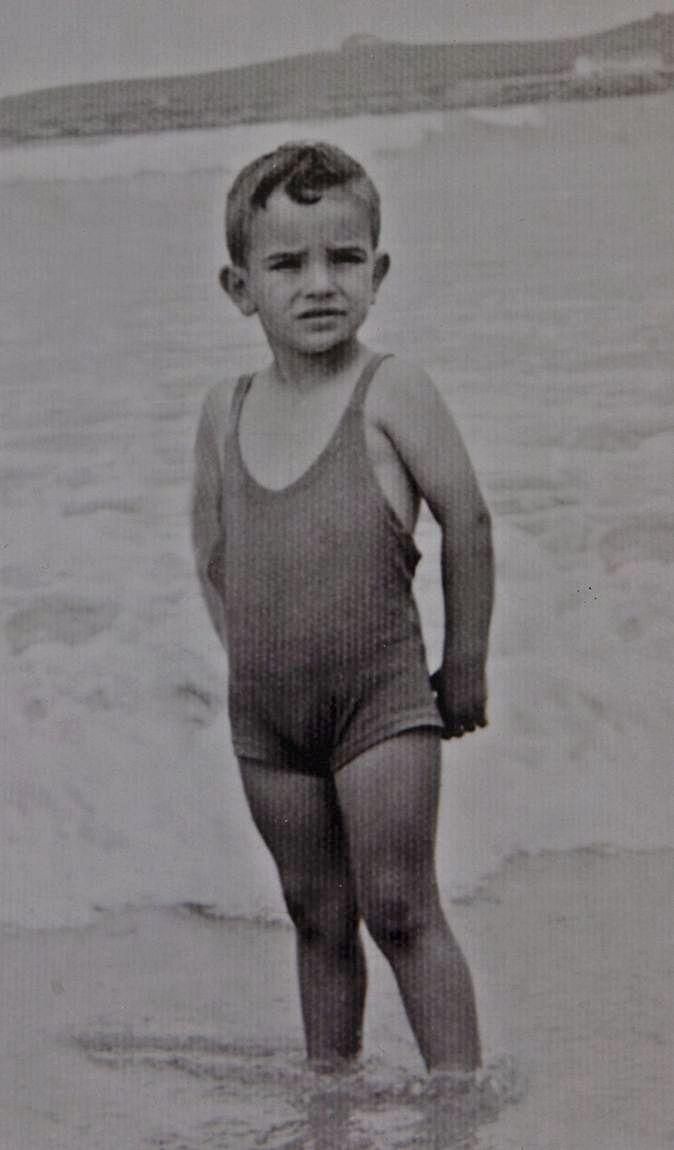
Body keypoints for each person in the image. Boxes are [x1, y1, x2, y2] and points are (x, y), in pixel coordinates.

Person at [191, 141, 494, 1073]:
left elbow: (468, 522)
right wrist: (251, 665)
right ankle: (332, 1098)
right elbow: (212, 555)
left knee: (400, 908)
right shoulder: (225, 408)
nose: (320, 284)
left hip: (382, 707)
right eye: (288, 264)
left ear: (379, 270)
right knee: (316, 917)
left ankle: (460, 1099)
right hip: (269, 723)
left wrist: (466, 664)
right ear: (241, 287)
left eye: (345, 259)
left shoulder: (390, 390)